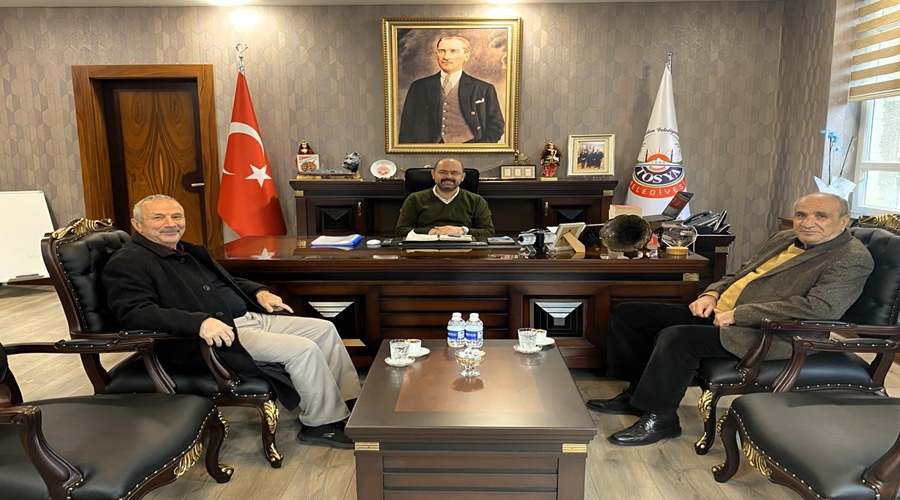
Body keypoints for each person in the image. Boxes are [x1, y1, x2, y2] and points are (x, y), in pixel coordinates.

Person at [585, 193, 874, 446]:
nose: (808, 222)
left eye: (821, 216)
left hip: (771, 333)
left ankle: (661, 419)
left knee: (678, 338)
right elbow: (740, 274)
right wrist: (711, 294)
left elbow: (820, 308)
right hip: (721, 313)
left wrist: (740, 314)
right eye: (801, 214)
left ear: (843, 221)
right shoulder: (784, 239)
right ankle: (637, 395)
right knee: (630, 314)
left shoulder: (850, 257)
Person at [103, 194, 361, 449]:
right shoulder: (129, 261)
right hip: (215, 336)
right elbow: (134, 312)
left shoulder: (184, 250)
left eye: (176, 216)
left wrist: (258, 292)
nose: (170, 223)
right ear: (137, 224)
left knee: (324, 329)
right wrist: (199, 323)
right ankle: (321, 425)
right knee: (303, 350)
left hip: (248, 317)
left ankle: (347, 404)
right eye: (158, 218)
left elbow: (225, 281)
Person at [398, 35, 505, 144]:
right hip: (429, 150)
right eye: (441, 51)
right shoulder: (418, 86)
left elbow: (496, 126)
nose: (446, 57)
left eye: (453, 51)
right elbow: (406, 128)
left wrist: (478, 148)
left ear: (466, 56)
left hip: (469, 148)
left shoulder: (484, 89)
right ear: (436, 54)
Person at [395, 158, 494, 237]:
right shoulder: (414, 199)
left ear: (463, 177)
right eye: (443, 172)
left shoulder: (476, 200)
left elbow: (488, 232)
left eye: (455, 173)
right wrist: (432, 232)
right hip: (424, 250)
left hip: (464, 251)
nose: (449, 177)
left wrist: (462, 230)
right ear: (433, 174)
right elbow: (401, 231)